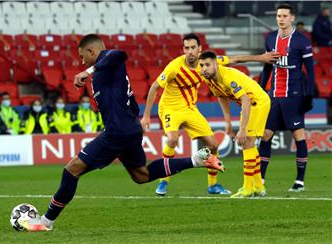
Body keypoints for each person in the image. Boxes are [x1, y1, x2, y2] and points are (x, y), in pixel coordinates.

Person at [18, 34, 225, 232]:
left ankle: (45, 221)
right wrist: (132, 121)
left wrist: (87, 72)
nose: (82, 62)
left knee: (71, 170)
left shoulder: (110, 61)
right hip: (127, 129)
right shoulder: (104, 72)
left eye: (83, 56)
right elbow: (131, 104)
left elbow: (119, 54)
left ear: (92, 51)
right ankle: (197, 160)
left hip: (118, 132)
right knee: (141, 175)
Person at [140, 33, 280, 196]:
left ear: (199, 49)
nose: (190, 51)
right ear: (183, 49)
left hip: (190, 108)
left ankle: (214, 185)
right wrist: (147, 115)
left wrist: (261, 58)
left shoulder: (207, 64)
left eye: (193, 47)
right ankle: (164, 181)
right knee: (172, 139)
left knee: (213, 145)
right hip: (171, 108)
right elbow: (154, 87)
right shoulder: (175, 67)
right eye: (187, 48)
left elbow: (235, 59)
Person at [199, 51, 271, 198]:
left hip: (256, 102)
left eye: (207, 65)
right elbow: (221, 96)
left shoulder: (227, 77)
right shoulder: (209, 79)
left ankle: (247, 188)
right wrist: (228, 123)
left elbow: (245, 99)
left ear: (216, 64)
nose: (204, 68)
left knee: (247, 142)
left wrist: (242, 129)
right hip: (251, 103)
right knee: (249, 144)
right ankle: (258, 186)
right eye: (201, 65)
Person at [259, 3, 315, 192]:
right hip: (274, 95)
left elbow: (311, 69)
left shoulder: (302, 41)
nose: (280, 19)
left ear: (292, 18)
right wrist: (260, 89)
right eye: (278, 16)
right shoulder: (270, 39)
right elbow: (266, 67)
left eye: (284, 16)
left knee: (298, 136)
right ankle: (261, 181)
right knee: (265, 135)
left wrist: (309, 94)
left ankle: (300, 182)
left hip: (295, 96)